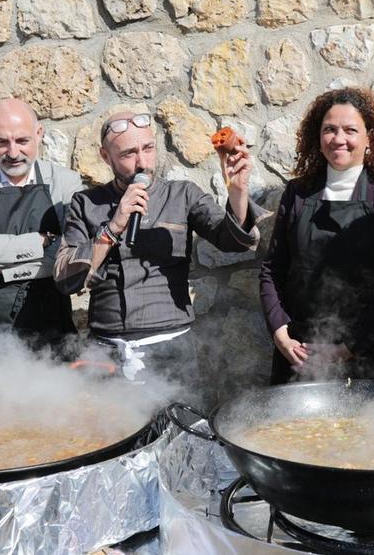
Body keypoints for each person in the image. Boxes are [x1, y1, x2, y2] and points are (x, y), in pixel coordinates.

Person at [54, 111, 261, 395]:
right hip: (108, 351)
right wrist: (113, 227)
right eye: (128, 153)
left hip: (171, 349)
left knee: (180, 434)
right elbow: (66, 278)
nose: (142, 162)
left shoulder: (183, 194)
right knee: (114, 435)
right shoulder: (86, 204)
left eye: (148, 149)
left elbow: (234, 241)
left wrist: (238, 192)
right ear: (106, 157)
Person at [259, 88, 374, 384]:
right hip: (300, 352)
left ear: (370, 138)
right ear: (317, 137)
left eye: (350, 130)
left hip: (368, 356)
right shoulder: (298, 193)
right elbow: (272, 270)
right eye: (329, 129)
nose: (339, 139)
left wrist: (347, 348)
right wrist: (280, 333)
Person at [0, 98, 83, 355]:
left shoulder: (65, 183)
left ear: (39, 134)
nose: (12, 152)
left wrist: (4, 268)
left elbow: (71, 255)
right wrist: (43, 241)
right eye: (1, 142)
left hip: (50, 323)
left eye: (22, 141)